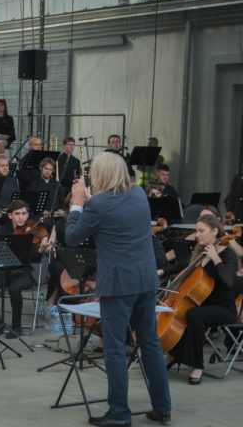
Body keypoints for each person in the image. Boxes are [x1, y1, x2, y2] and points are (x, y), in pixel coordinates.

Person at [65, 152, 171, 426]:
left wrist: (77, 204)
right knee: (149, 343)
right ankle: (162, 407)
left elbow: (72, 237)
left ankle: (120, 413)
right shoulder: (138, 194)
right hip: (145, 279)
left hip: (118, 285)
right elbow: (114, 213)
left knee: (113, 347)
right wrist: (90, 202)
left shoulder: (97, 205)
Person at [165, 214, 239, 385]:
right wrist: (164, 273)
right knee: (187, 313)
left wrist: (215, 258)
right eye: (196, 231)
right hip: (202, 305)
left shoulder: (228, 254)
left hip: (224, 309)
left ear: (215, 231)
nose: (197, 234)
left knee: (194, 314)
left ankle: (197, 365)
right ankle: (174, 354)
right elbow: (184, 268)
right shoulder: (200, 252)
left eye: (201, 231)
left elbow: (229, 281)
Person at [0, 200, 48, 338]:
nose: (21, 217)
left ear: (28, 215)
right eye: (17, 214)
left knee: (14, 289)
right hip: (6, 271)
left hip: (24, 272)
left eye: (24, 213)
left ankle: (17, 326)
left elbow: (34, 258)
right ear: (10, 215)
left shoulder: (32, 231)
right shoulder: (2, 231)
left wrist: (41, 249)